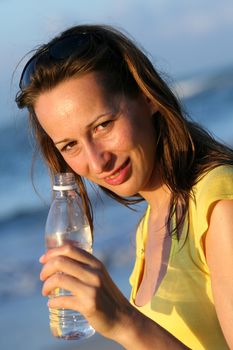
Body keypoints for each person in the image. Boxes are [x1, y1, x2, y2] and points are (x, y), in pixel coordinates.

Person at [15, 24, 233, 349]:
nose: (97, 160)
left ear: (147, 98)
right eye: (70, 145)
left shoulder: (219, 202)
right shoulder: (152, 224)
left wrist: (123, 321)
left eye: (103, 125)